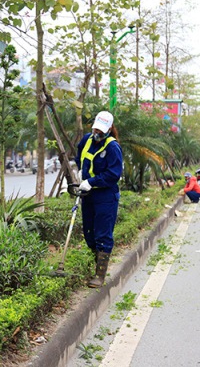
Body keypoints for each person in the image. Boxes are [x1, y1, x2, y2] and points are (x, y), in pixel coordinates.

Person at [75, 111, 123, 288]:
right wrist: (81, 171)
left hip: (105, 196)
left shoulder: (112, 147)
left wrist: (92, 181)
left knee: (103, 234)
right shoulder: (87, 139)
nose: (98, 133)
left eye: (102, 130)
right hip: (88, 195)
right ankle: (95, 262)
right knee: (89, 233)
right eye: (96, 129)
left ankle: (100, 275)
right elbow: (79, 156)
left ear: (109, 129)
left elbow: (113, 174)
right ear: (93, 125)